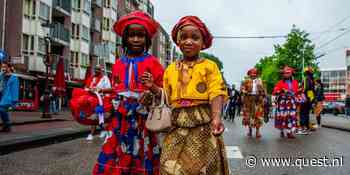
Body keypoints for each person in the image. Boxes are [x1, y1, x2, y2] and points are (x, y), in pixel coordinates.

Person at [93, 11, 164, 175]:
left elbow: (164, 92)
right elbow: (119, 90)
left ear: (147, 39)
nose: (136, 39)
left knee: (142, 154)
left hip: (143, 120)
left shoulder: (154, 63)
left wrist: (152, 91)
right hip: (120, 120)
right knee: (116, 153)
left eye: (140, 35)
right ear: (125, 39)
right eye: (132, 35)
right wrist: (105, 103)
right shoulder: (118, 63)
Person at [160, 16, 229, 175]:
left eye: (195, 38)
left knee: (203, 168)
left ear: (203, 43)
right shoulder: (170, 70)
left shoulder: (210, 66)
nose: (188, 41)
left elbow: (216, 91)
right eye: (184, 37)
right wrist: (152, 90)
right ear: (178, 41)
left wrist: (217, 117)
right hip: (176, 127)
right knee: (168, 166)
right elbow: (165, 97)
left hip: (203, 127)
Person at [84, 65, 112, 141]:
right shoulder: (91, 78)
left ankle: (105, 131)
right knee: (93, 117)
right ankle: (92, 134)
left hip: (101, 101)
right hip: (92, 100)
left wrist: (100, 91)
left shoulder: (105, 78)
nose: (96, 70)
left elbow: (108, 90)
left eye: (98, 69)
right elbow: (86, 88)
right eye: (95, 69)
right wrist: (90, 90)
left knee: (102, 117)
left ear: (101, 70)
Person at [273, 66, 299, 139]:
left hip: (292, 102)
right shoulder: (280, 82)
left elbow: (297, 92)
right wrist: (281, 91)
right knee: (282, 117)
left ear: (291, 74)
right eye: (285, 73)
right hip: (282, 102)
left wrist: (298, 93)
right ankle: (282, 130)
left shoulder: (295, 82)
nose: (287, 74)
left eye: (288, 73)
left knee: (291, 117)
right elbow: (275, 91)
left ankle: (289, 132)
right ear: (283, 74)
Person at [240, 68, 266, 138]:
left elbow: (264, 91)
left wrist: (263, 93)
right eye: (252, 73)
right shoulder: (246, 81)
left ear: (257, 74)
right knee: (249, 116)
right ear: (249, 74)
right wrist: (244, 91)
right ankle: (250, 130)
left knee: (258, 115)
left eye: (255, 73)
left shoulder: (260, 81)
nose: (253, 75)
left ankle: (258, 132)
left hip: (258, 100)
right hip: (248, 100)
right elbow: (242, 88)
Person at [0, 62, 19, 132]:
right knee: (2, 110)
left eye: (5, 67)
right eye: (2, 67)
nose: (3, 68)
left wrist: (14, 100)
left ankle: (7, 123)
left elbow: (15, 90)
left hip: (7, 97)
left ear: (9, 68)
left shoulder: (14, 78)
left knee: (1, 109)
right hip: (1, 95)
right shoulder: (1, 75)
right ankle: (6, 125)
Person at [299, 67, 316, 133]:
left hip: (305, 97)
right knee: (306, 113)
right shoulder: (312, 79)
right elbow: (312, 90)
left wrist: (301, 90)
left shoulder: (306, 78)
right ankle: (307, 127)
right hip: (310, 97)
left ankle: (303, 127)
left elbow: (306, 88)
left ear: (306, 72)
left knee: (302, 112)